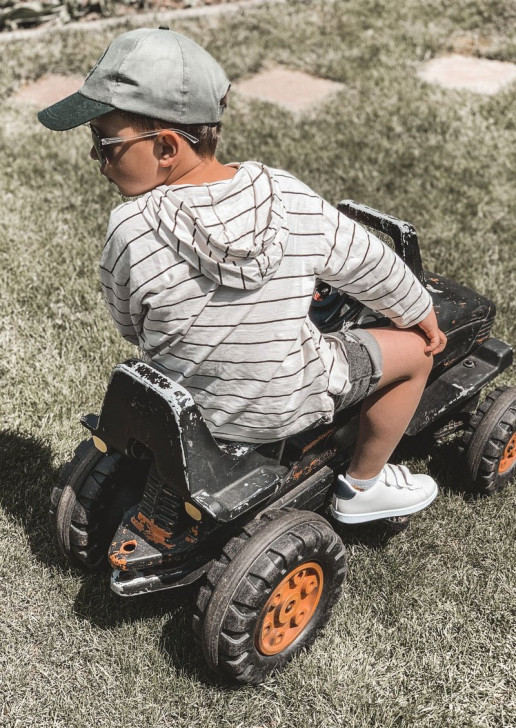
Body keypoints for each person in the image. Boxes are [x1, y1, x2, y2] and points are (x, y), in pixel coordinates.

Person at [38, 27, 447, 525]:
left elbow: (129, 324)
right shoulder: (288, 196)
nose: (97, 160)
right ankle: (364, 484)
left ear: (166, 148)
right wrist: (420, 314)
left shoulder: (130, 227)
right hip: (285, 406)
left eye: (104, 142)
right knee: (416, 354)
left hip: (183, 411)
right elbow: (370, 263)